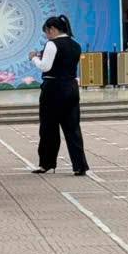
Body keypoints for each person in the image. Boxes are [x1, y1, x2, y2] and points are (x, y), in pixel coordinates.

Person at [31, 14, 88, 175]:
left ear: (53, 29)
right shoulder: (75, 44)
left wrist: (34, 58)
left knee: (48, 127)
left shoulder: (52, 44)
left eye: (46, 32)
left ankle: (46, 163)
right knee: (73, 128)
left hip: (53, 88)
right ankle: (80, 165)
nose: (46, 36)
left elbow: (45, 66)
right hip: (71, 87)